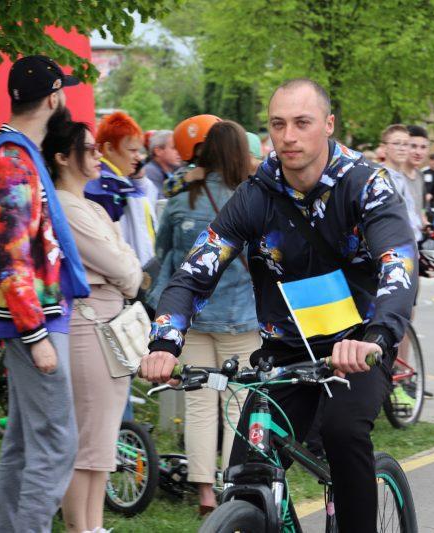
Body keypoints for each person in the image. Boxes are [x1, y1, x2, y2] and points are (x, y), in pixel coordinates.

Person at [142, 78, 416, 532]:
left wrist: (379, 335)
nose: (289, 136)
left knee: (343, 433)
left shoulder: (366, 185)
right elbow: (195, 271)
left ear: (328, 125)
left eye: (302, 123)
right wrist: (164, 343)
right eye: (278, 124)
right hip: (287, 353)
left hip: (358, 346)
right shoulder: (256, 194)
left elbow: (397, 264)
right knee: (246, 474)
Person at [0, 55, 88, 532]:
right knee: (57, 444)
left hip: (33, 314)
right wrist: (35, 334)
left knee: (24, 445)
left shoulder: (16, 155)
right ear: (54, 97)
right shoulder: (10, 162)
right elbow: (12, 256)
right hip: (33, 319)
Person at [151, 120, 260, 515]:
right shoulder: (251, 198)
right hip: (241, 318)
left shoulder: (181, 198)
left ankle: (204, 496)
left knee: (199, 404)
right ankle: (234, 491)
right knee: (238, 403)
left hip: (191, 317)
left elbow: (162, 251)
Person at [42, 117, 143, 533]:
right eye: (89, 148)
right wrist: (125, 271)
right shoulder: (66, 207)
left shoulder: (93, 206)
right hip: (89, 325)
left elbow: (130, 264)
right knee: (88, 440)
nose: (98, 155)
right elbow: (124, 266)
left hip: (108, 320)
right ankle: (80, 527)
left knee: (102, 439)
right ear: (63, 158)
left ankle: (93, 526)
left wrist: (125, 270)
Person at [85, 111, 156, 270]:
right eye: (132, 150)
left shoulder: (120, 182)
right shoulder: (104, 187)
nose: (138, 157)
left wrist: (138, 180)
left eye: (139, 151)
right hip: (125, 277)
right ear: (109, 148)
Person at [381, 124, 422, 240]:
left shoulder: (401, 177)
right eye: (396, 143)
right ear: (385, 148)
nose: (402, 148)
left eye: (406, 144)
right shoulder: (381, 179)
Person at [144, 130, 181, 200]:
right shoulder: (150, 172)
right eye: (174, 148)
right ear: (158, 151)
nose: (179, 151)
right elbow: (162, 205)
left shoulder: (174, 171)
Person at [405, 125, 429, 228]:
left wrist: (425, 223)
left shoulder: (420, 175)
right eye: (413, 146)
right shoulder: (392, 176)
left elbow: (420, 209)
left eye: (423, 147)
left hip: (417, 239)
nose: (418, 152)